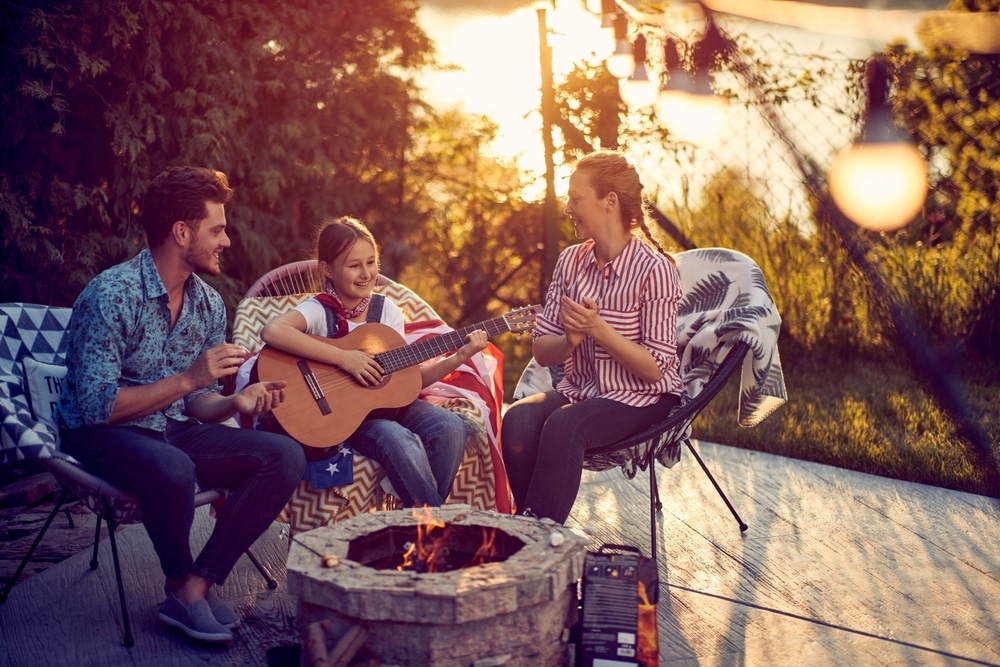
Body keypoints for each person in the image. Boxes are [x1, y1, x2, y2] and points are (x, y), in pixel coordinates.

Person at [54, 166, 307, 645]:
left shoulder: (209, 304)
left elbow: (195, 404)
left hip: (169, 427)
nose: (226, 241)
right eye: (218, 229)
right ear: (181, 232)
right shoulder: (112, 294)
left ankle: (196, 583)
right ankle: (179, 585)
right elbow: (97, 408)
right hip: (105, 432)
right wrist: (189, 377)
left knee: (283, 455)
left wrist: (234, 399)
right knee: (173, 468)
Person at [501, 150, 684, 524]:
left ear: (609, 202)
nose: (568, 208)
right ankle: (534, 529)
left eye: (576, 199)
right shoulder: (571, 262)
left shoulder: (656, 270)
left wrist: (598, 329)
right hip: (584, 391)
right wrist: (570, 339)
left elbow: (655, 370)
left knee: (565, 425)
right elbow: (542, 348)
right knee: (518, 419)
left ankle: (536, 541)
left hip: (644, 397)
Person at [259, 216, 488, 508]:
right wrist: (345, 358)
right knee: (396, 437)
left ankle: (418, 524)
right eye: (354, 265)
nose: (365, 273)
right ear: (327, 269)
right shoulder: (318, 310)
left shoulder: (386, 312)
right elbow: (273, 331)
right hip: (341, 419)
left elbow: (409, 381)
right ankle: (435, 531)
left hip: (385, 406)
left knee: (451, 427)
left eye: (371, 262)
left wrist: (459, 357)